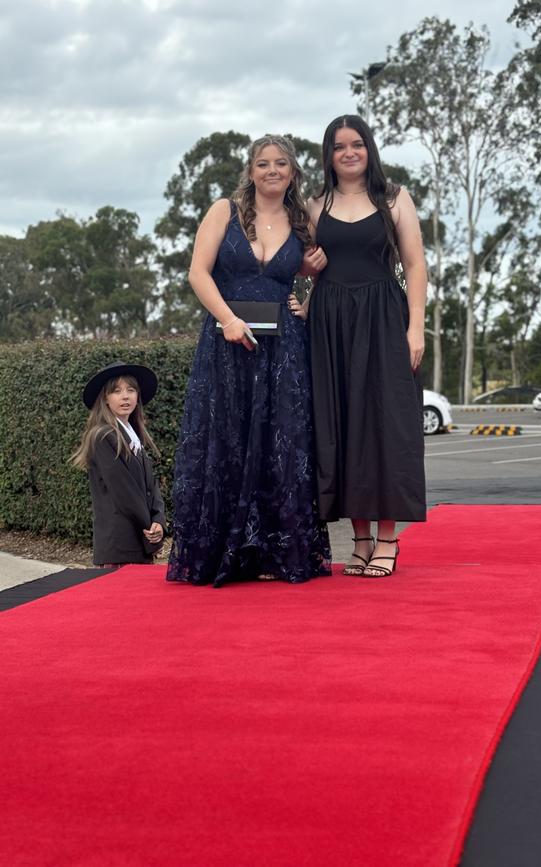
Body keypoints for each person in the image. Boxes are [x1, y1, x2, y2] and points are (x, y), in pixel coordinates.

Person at [166, 134, 331, 587]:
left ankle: (275, 554)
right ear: (251, 171)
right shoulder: (225, 211)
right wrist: (227, 319)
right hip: (226, 342)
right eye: (263, 164)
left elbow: (328, 272)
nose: (272, 170)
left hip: (283, 349)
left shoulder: (303, 223)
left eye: (281, 163)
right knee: (226, 439)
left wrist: (309, 297)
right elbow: (198, 272)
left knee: (281, 443)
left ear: (293, 172)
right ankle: (224, 554)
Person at [305, 114, 427, 577]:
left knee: (385, 425)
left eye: (357, 144)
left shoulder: (394, 198)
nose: (349, 152)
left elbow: (415, 266)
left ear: (369, 149)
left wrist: (415, 327)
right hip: (331, 322)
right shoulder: (316, 205)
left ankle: (388, 540)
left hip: (382, 318)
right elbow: (308, 267)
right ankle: (358, 541)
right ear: (329, 155)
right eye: (339, 147)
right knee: (341, 425)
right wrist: (307, 289)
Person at [72, 361, 166, 567]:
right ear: (106, 398)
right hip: (119, 547)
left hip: (139, 543)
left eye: (131, 390)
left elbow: (151, 487)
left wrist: (159, 520)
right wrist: (150, 533)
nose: (125, 396)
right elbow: (125, 492)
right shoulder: (103, 436)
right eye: (117, 391)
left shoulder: (134, 437)